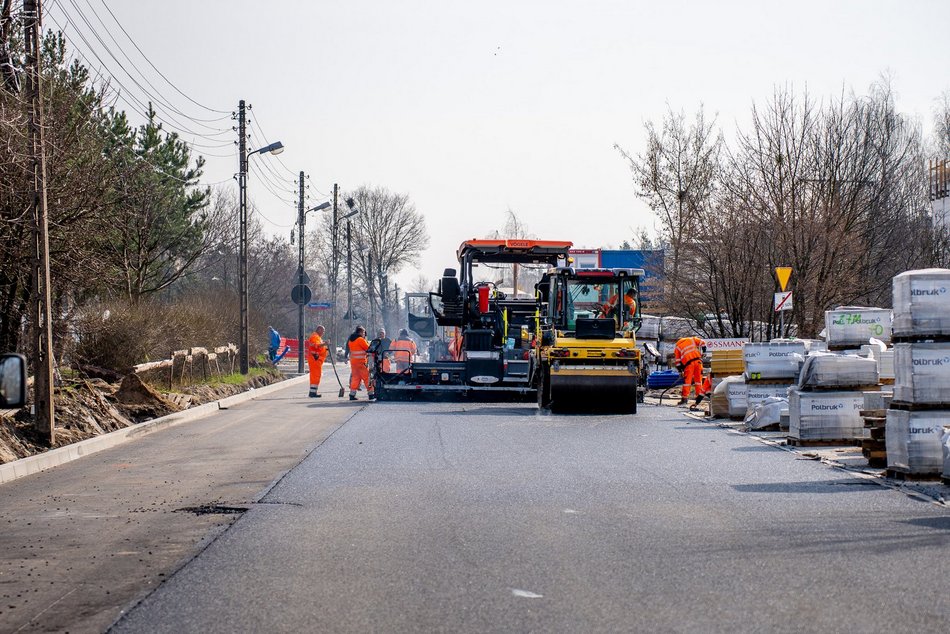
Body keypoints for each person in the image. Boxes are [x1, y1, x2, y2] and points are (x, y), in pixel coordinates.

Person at [674, 335, 707, 406]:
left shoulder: (677, 347)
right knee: (698, 381)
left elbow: (677, 362)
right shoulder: (692, 339)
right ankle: (699, 398)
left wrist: (680, 371)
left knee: (687, 382)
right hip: (698, 362)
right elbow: (703, 342)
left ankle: (684, 399)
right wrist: (704, 352)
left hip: (689, 365)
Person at [346, 325, 373, 401]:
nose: (364, 334)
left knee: (355, 378)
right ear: (360, 332)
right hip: (361, 362)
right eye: (364, 332)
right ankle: (371, 394)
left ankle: (352, 394)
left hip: (353, 362)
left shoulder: (351, 340)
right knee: (367, 377)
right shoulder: (360, 340)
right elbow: (368, 348)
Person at [305, 325, 328, 398]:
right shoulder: (315, 337)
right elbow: (316, 345)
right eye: (323, 331)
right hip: (314, 359)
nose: (323, 332)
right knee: (315, 375)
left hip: (316, 359)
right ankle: (312, 393)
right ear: (319, 330)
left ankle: (313, 392)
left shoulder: (317, 337)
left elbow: (319, 347)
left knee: (316, 375)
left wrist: (325, 348)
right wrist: (324, 344)